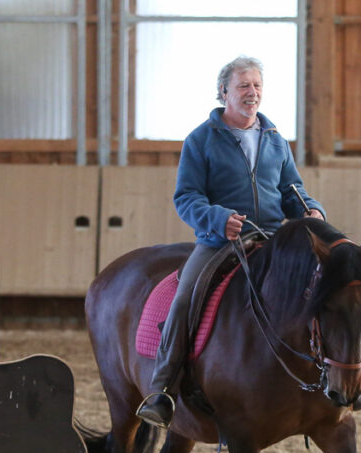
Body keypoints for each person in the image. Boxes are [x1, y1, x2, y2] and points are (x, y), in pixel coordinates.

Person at [135, 55, 325, 428]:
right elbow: (186, 197)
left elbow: (292, 189)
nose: (251, 93)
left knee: (322, 285)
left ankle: (332, 379)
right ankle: (162, 389)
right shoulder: (200, 140)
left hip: (271, 237)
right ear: (223, 93)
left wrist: (311, 210)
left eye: (256, 86)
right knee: (186, 297)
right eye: (243, 86)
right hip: (218, 241)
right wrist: (220, 219)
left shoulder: (275, 140)